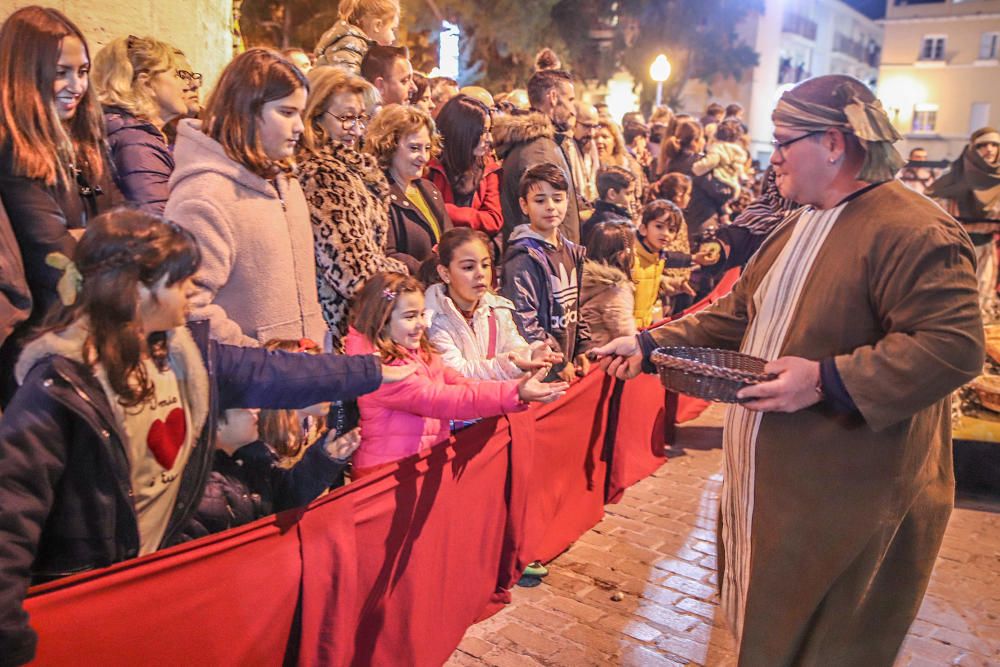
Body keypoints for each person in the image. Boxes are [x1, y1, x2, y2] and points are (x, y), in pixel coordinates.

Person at [595, 74, 984, 666]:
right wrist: (647, 345)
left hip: (847, 502)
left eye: (783, 140)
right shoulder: (798, 222)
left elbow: (953, 346)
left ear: (834, 143)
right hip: (779, 493)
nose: (771, 156)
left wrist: (824, 379)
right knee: (767, 633)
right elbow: (734, 317)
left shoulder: (914, 228)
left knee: (829, 647)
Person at [0, 209, 412, 666]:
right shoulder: (61, 385)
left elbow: (272, 370)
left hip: (156, 578)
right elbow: (12, 506)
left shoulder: (184, 353)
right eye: (180, 282)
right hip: (91, 592)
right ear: (136, 291)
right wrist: (9, 636)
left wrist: (371, 372)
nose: (194, 293)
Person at [165, 48, 326, 347]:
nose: (299, 128)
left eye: (300, 114)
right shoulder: (204, 197)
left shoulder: (286, 183)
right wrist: (262, 359)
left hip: (303, 374)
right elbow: (187, 309)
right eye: (286, 112)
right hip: (248, 382)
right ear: (246, 111)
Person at [0, 6, 119, 401]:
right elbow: (57, 259)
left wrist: (92, 237)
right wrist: (100, 241)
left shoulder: (83, 143)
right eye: (60, 72)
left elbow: (131, 232)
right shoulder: (12, 150)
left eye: (82, 71)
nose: (77, 85)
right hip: (43, 353)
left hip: (93, 338)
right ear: (25, 73)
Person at [344, 271, 568, 475]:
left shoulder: (416, 351)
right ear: (381, 321)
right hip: (386, 474)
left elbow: (457, 382)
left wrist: (514, 386)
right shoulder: (380, 370)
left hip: (413, 465)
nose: (421, 324)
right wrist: (515, 392)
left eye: (422, 314)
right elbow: (440, 399)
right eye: (410, 317)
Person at [298, 66, 406, 352]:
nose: (356, 129)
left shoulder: (351, 168)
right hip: (338, 328)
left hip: (358, 321)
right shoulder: (323, 173)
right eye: (345, 118)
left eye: (361, 118)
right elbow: (354, 274)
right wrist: (403, 275)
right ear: (315, 117)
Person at [175, 409, 361, 542]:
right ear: (216, 423)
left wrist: (324, 460)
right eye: (242, 406)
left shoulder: (251, 459)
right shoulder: (201, 492)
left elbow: (286, 497)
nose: (255, 409)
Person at [424, 227, 559, 380]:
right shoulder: (432, 320)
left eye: (485, 265)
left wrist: (533, 354)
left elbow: (515, 347)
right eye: (469, 267)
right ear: (445, 273)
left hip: (496, 401)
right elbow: (456, 374)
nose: (480, 274)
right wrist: (511, 365)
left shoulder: (499, 309)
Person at [501, 163, 592, 383]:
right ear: (524, 205)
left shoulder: (571, 250)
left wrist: (582, 346)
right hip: (540, 367)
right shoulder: (524, 257)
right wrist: (555, 361)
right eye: (540, 200)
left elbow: (577, 304)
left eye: (557, 199)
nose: (550, 207)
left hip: (567, 359)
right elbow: (523, 317)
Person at [93, 35, 189, 214]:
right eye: (176, 75)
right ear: (147, 85)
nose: (185, 85)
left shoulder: (136, 134)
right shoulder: (137, 142)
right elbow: (159, 224)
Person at [493, 69, 582, 243]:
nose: (573, 109)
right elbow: (545, 219)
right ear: (553, 97)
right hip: (544, 262)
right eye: (570, 100)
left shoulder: (542, 143)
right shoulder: (540, 150)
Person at [366, 104, 452, 274]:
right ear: (389, 145)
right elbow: (387, 255)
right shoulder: (376, 193)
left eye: (427, 148)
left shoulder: (429, 189)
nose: (424, 157)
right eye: (414, 148)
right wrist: (432, 273)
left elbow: (450, 241)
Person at [927, 127, 1000, 313]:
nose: (990, 150)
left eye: (994, 144)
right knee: (952, 297)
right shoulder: (953, 178)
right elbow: (934, 210)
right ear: (972, 149)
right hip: (955, 248)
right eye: (983, 145)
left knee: (981, 297)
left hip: (986, 248)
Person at [425, 95, 503, 245]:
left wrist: (444, 210)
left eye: (489, 130)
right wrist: (475, 218)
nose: (489, 138)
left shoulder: (489, 168)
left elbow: (494, 220)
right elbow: (423, 212)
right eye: (482, 132)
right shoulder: (429, 167)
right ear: (461, 133)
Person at [581, 222, 637, 347]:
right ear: (623, 254)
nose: (636, 253)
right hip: (603, 355)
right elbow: (624, 331)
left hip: (584, 350)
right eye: (634, 249)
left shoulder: (586, 279)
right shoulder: (616, 289)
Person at [314, 0, 399, 73]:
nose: (393, 37)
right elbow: (351, 86)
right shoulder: (349, 46)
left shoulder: (353, 45)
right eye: (392, 29)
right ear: (377, 25)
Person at [581, 166, 635, 244]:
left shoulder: (599, 217)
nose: (633, 198)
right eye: (628, 193)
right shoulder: (614, 225)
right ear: (612, 194)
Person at [593, 119, 645, 198]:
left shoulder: (627, 165)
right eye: (595, 137)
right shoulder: (587, 165)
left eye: (605, 137)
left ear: (615, 141)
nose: (599, 141)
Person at [572, 101, 601, 204]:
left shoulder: (592, 146)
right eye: (587, 126)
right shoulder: (566, 148)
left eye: (595, 127)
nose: (592, 133)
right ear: (573, 123)